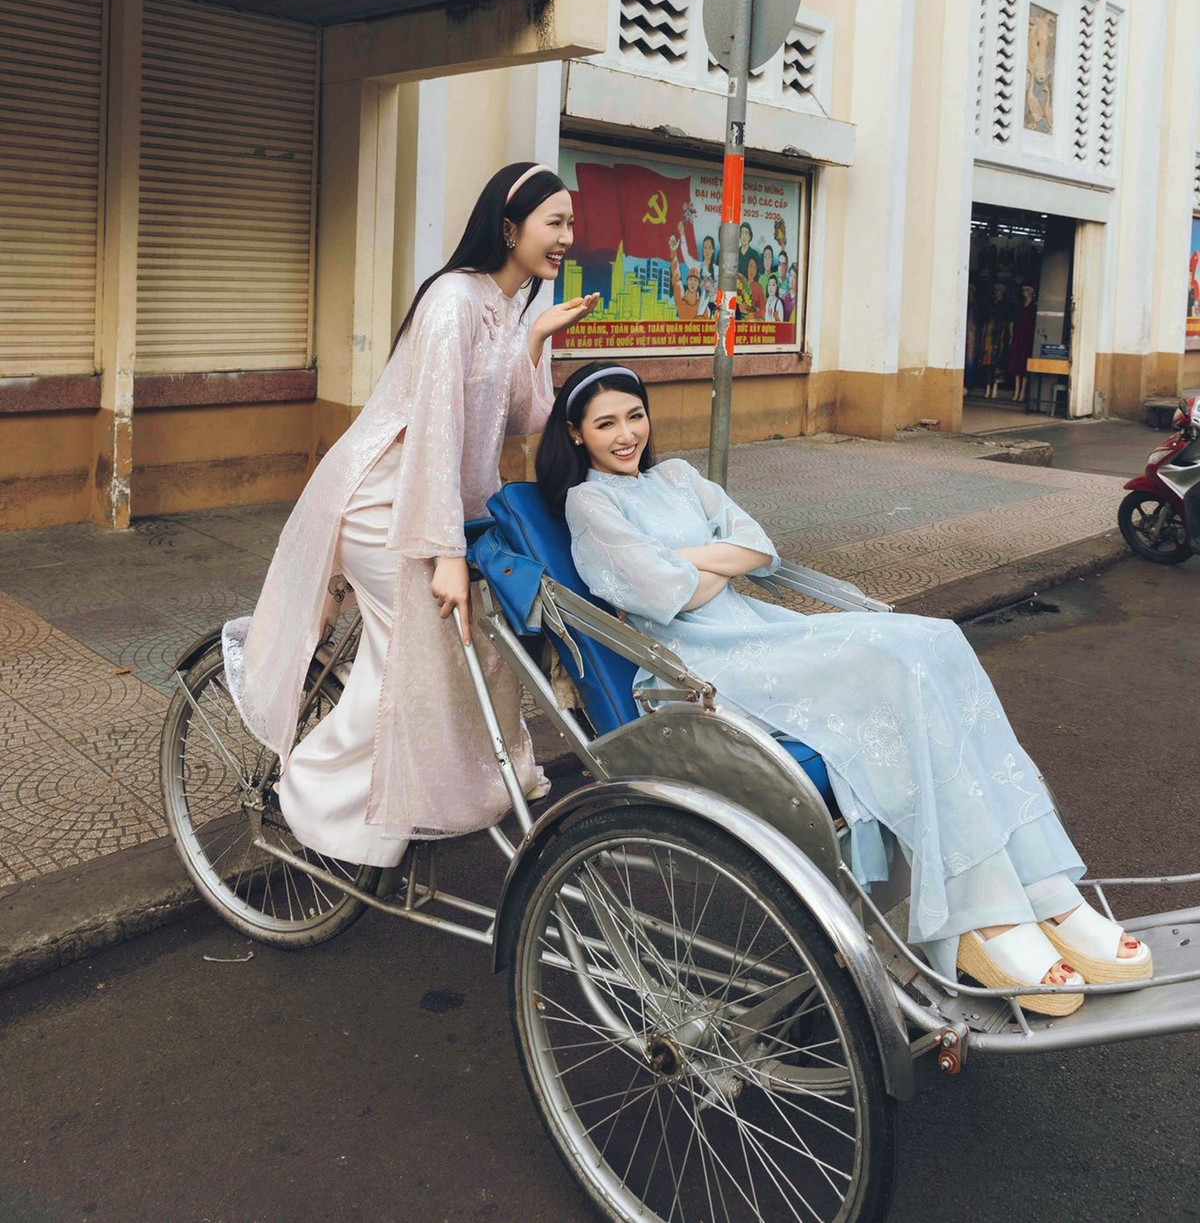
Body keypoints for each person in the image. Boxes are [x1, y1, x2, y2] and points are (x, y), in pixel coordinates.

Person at [535, 361, 1152, 1012]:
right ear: (576, 434)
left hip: (756, 627)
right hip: (698, 662)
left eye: (635, 415)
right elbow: (660, 594)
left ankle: (1047, 891)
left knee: (935, 639)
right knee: (886, 665)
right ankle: (986, 918)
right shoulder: (590, 502)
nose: (626, 433)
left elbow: (757, 549)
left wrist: (690, 562)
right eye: (606, 423)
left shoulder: (680, 476)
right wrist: (705, 563)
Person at [222, 163, 598, 868]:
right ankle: (309, 793)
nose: (567, 238)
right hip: (382, 498)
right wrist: (446, 553)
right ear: (509, 226)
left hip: (437, 506)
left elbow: (524, 417)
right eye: (556, 222)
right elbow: (433, 429)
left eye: (571, 223)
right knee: (413, 662)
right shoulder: (454, 299)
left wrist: (539, 340)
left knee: (474, 650)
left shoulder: (506, 307)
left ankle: (419, 797)